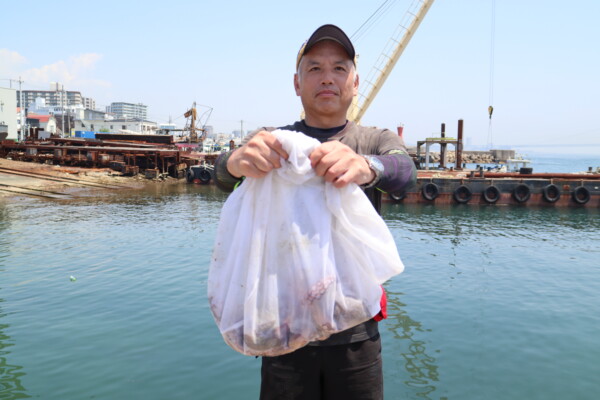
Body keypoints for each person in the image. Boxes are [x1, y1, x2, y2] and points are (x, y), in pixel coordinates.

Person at [213, 24, 416, 400]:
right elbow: (223, 177)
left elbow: (405, 172)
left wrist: (367, 166)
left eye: (339, 68)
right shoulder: (274, 141)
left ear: (355, 83)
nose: (328, 78)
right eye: (315, 68)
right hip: (283, 325)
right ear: (297, 83)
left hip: (356, 332)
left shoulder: (373, 139)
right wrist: (236, 161)